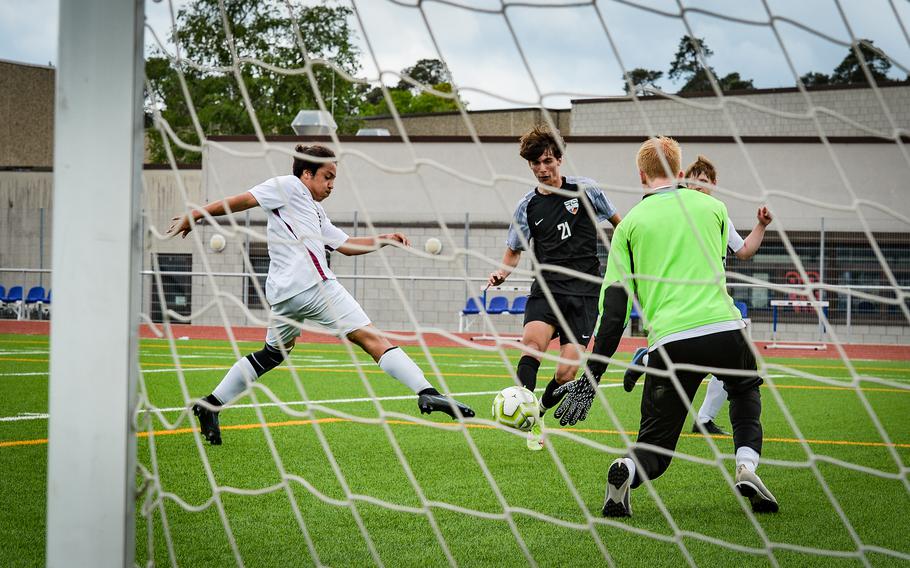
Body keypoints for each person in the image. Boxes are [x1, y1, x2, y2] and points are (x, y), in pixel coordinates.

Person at [168, 144, 475, 445]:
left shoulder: (314, 211)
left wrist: (385, 239)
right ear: (306, 174)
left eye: (334, 179)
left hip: (285, 294)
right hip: (315, 286)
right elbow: (242, 200)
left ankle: (210, 405)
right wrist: (196, 214)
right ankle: (426, 391)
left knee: (274, 353)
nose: (331, 185)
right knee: (371, 338)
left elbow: (345, 245)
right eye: (327, 177)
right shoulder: (287, 186)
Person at [553, 137, 777, 516]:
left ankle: (629, 468)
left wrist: (592, 376)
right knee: (744, 390)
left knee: (656, 445)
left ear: (641, 175)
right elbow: (734, 258)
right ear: (681, 171)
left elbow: (613, 313)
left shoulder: (629, 226)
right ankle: (745, 465)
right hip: (724, 329)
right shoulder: (714, 207)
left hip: (670, 343)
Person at [487, 124, 621, 451]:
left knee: (565, 374)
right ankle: (526, 416)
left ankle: (540, 410)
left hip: (586, 294)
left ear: (559, 159)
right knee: (532, 344)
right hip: (546, 289)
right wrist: (501, 273)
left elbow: (621, 226)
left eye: (548, 161)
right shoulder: (527, 207)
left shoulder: (587, 191)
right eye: (536, 164)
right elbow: (514, 250)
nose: (542, 169)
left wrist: (629, 259)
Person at [623, 154, 773, 436]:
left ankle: (701, 416)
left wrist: (761, 226)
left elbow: (743, 251)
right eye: (694, 182)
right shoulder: (671, 214)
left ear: (714, 184)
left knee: (721, 362)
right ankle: (648, 363)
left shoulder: (716, 213)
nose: (699, 186)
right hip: (676, 308)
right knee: (709, 360)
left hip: (710, 307)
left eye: (704, 182)